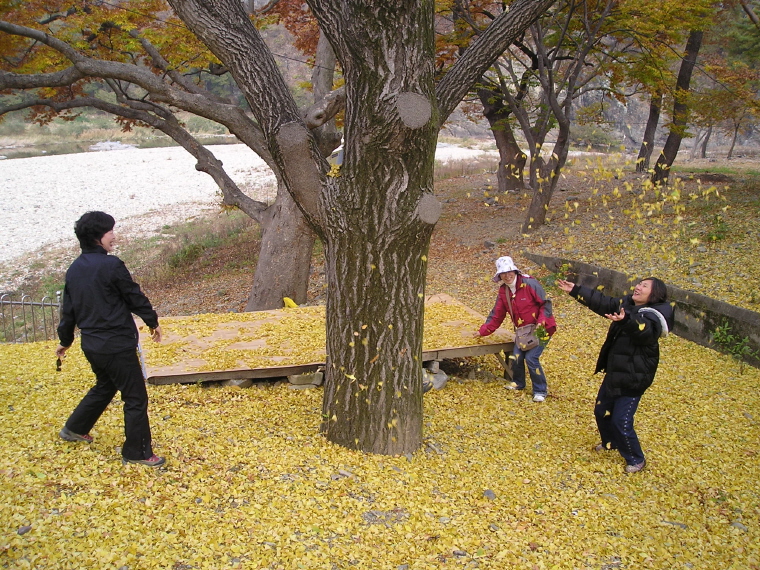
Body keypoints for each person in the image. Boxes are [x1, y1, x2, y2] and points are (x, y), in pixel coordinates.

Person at [56, 211, 165, 467]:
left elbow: (68, 309)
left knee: (105, 385)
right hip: (116, 344)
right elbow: (132, 295)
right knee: (135, 397)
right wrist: (152, 321)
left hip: (92, 345)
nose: (114, 237)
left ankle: (74, 428)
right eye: (110, 232)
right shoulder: (111, 265)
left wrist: (66, 340)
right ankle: (137, 453)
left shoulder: (74, 269)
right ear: (98, 237)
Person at [556, 276, 675, 474]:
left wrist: (627, 320)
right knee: (601, 412)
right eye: (639, 283)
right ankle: (610, 443)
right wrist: (576, 290)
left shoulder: (654, 315)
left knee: (621, 420)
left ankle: (636, 458)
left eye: (644, 286)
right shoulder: (627, 304)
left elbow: (644, 332)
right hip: (615, 372)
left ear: (654, 294)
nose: (638, 287)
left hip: (634, 377)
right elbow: (603, 302)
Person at [474, 256, 557, 402]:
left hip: (542, 328)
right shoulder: (504, 291)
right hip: (523, 331)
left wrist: (541, 321)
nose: (507, 276)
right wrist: (483, 331)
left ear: (514, 271)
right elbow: (497, 314)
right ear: (499, 275)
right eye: (503, 273)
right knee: (517, 356)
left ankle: (540, 390)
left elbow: (545, 304)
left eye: (509, 272)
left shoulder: (530, 283)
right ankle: (519, 383)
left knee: (531, 358)